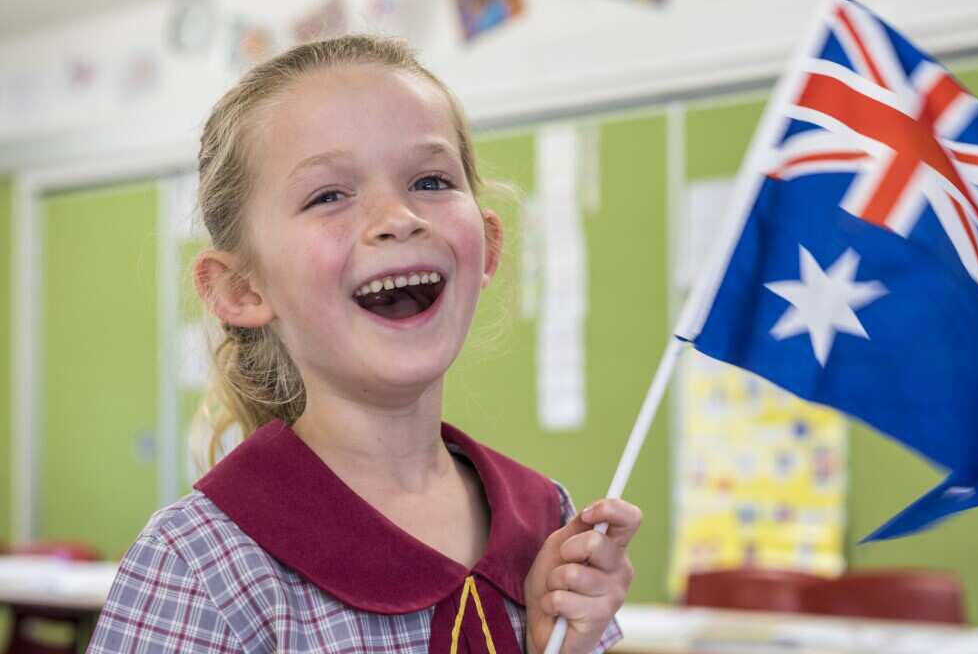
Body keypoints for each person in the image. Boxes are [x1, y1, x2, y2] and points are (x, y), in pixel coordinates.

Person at [87, 34, 641, 653]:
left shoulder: (547, 517)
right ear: (241, 289)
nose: (400, 217)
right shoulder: (201, 565)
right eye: (329, 195)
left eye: (430, 180)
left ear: (488, 245)